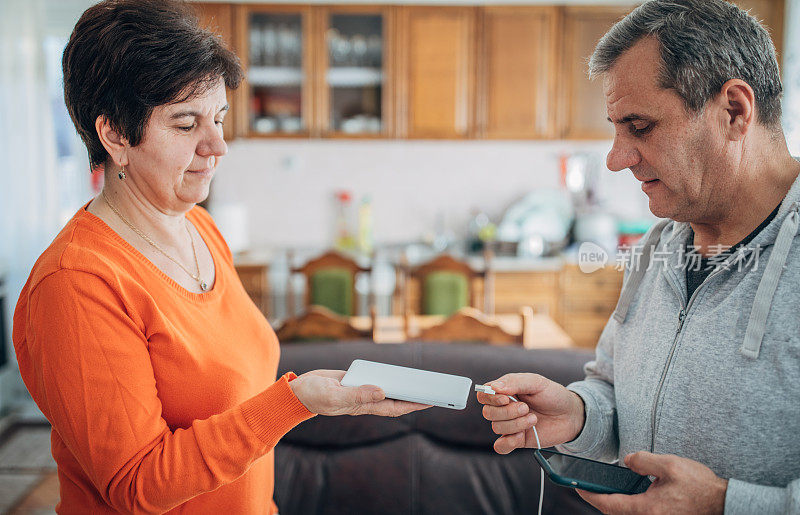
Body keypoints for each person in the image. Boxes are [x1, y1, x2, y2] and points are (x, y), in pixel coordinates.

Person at [11, 1, 427, 513]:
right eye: (186, 124)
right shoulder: (76, 283)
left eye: (220, 118)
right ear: (115, 135)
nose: (218, 145)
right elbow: (136, 484)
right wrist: (294, 403)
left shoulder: (201, 230)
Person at [478, 1, 800, 513]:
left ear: (735, 111)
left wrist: (725, 504)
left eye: (640, 126)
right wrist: (580, 414)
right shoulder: (658, 247)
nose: (615, 157)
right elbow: (612, 385)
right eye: (615, 128)